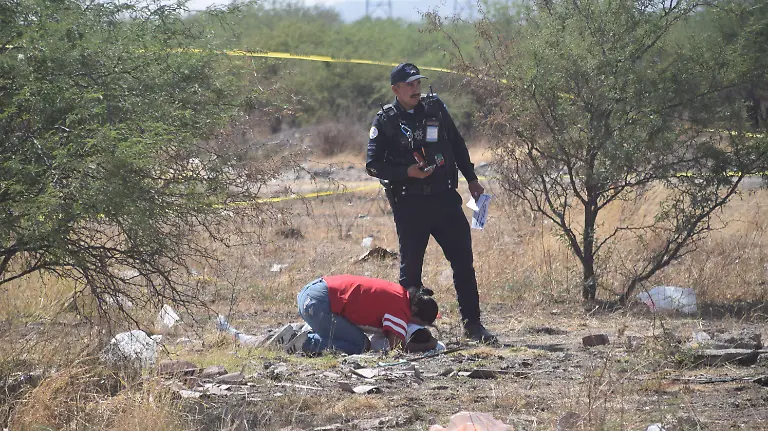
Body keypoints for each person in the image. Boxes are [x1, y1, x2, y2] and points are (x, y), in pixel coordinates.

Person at [365, 62, 497, 344]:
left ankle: (473, 324)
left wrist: (472, 179)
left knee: (463, 261)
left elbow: (458, 144)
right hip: (410, 204)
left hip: (445, 198)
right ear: (396, 89)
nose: (416, 89)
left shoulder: (435, 108)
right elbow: (373, 165)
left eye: (418, 84)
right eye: (409, 85)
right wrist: (406, 172)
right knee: (411, 271)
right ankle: (409, 330)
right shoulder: (386, 120)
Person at [289, 275, 440, 355]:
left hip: (310, 293)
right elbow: (398, 349)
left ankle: (294, 333)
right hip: (318, 305)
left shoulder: (399, 294)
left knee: (349, 335)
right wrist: (430, 345)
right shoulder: (401, 309)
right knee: (360, 345)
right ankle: (303, 342)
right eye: (418, 323)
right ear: (414, 312)